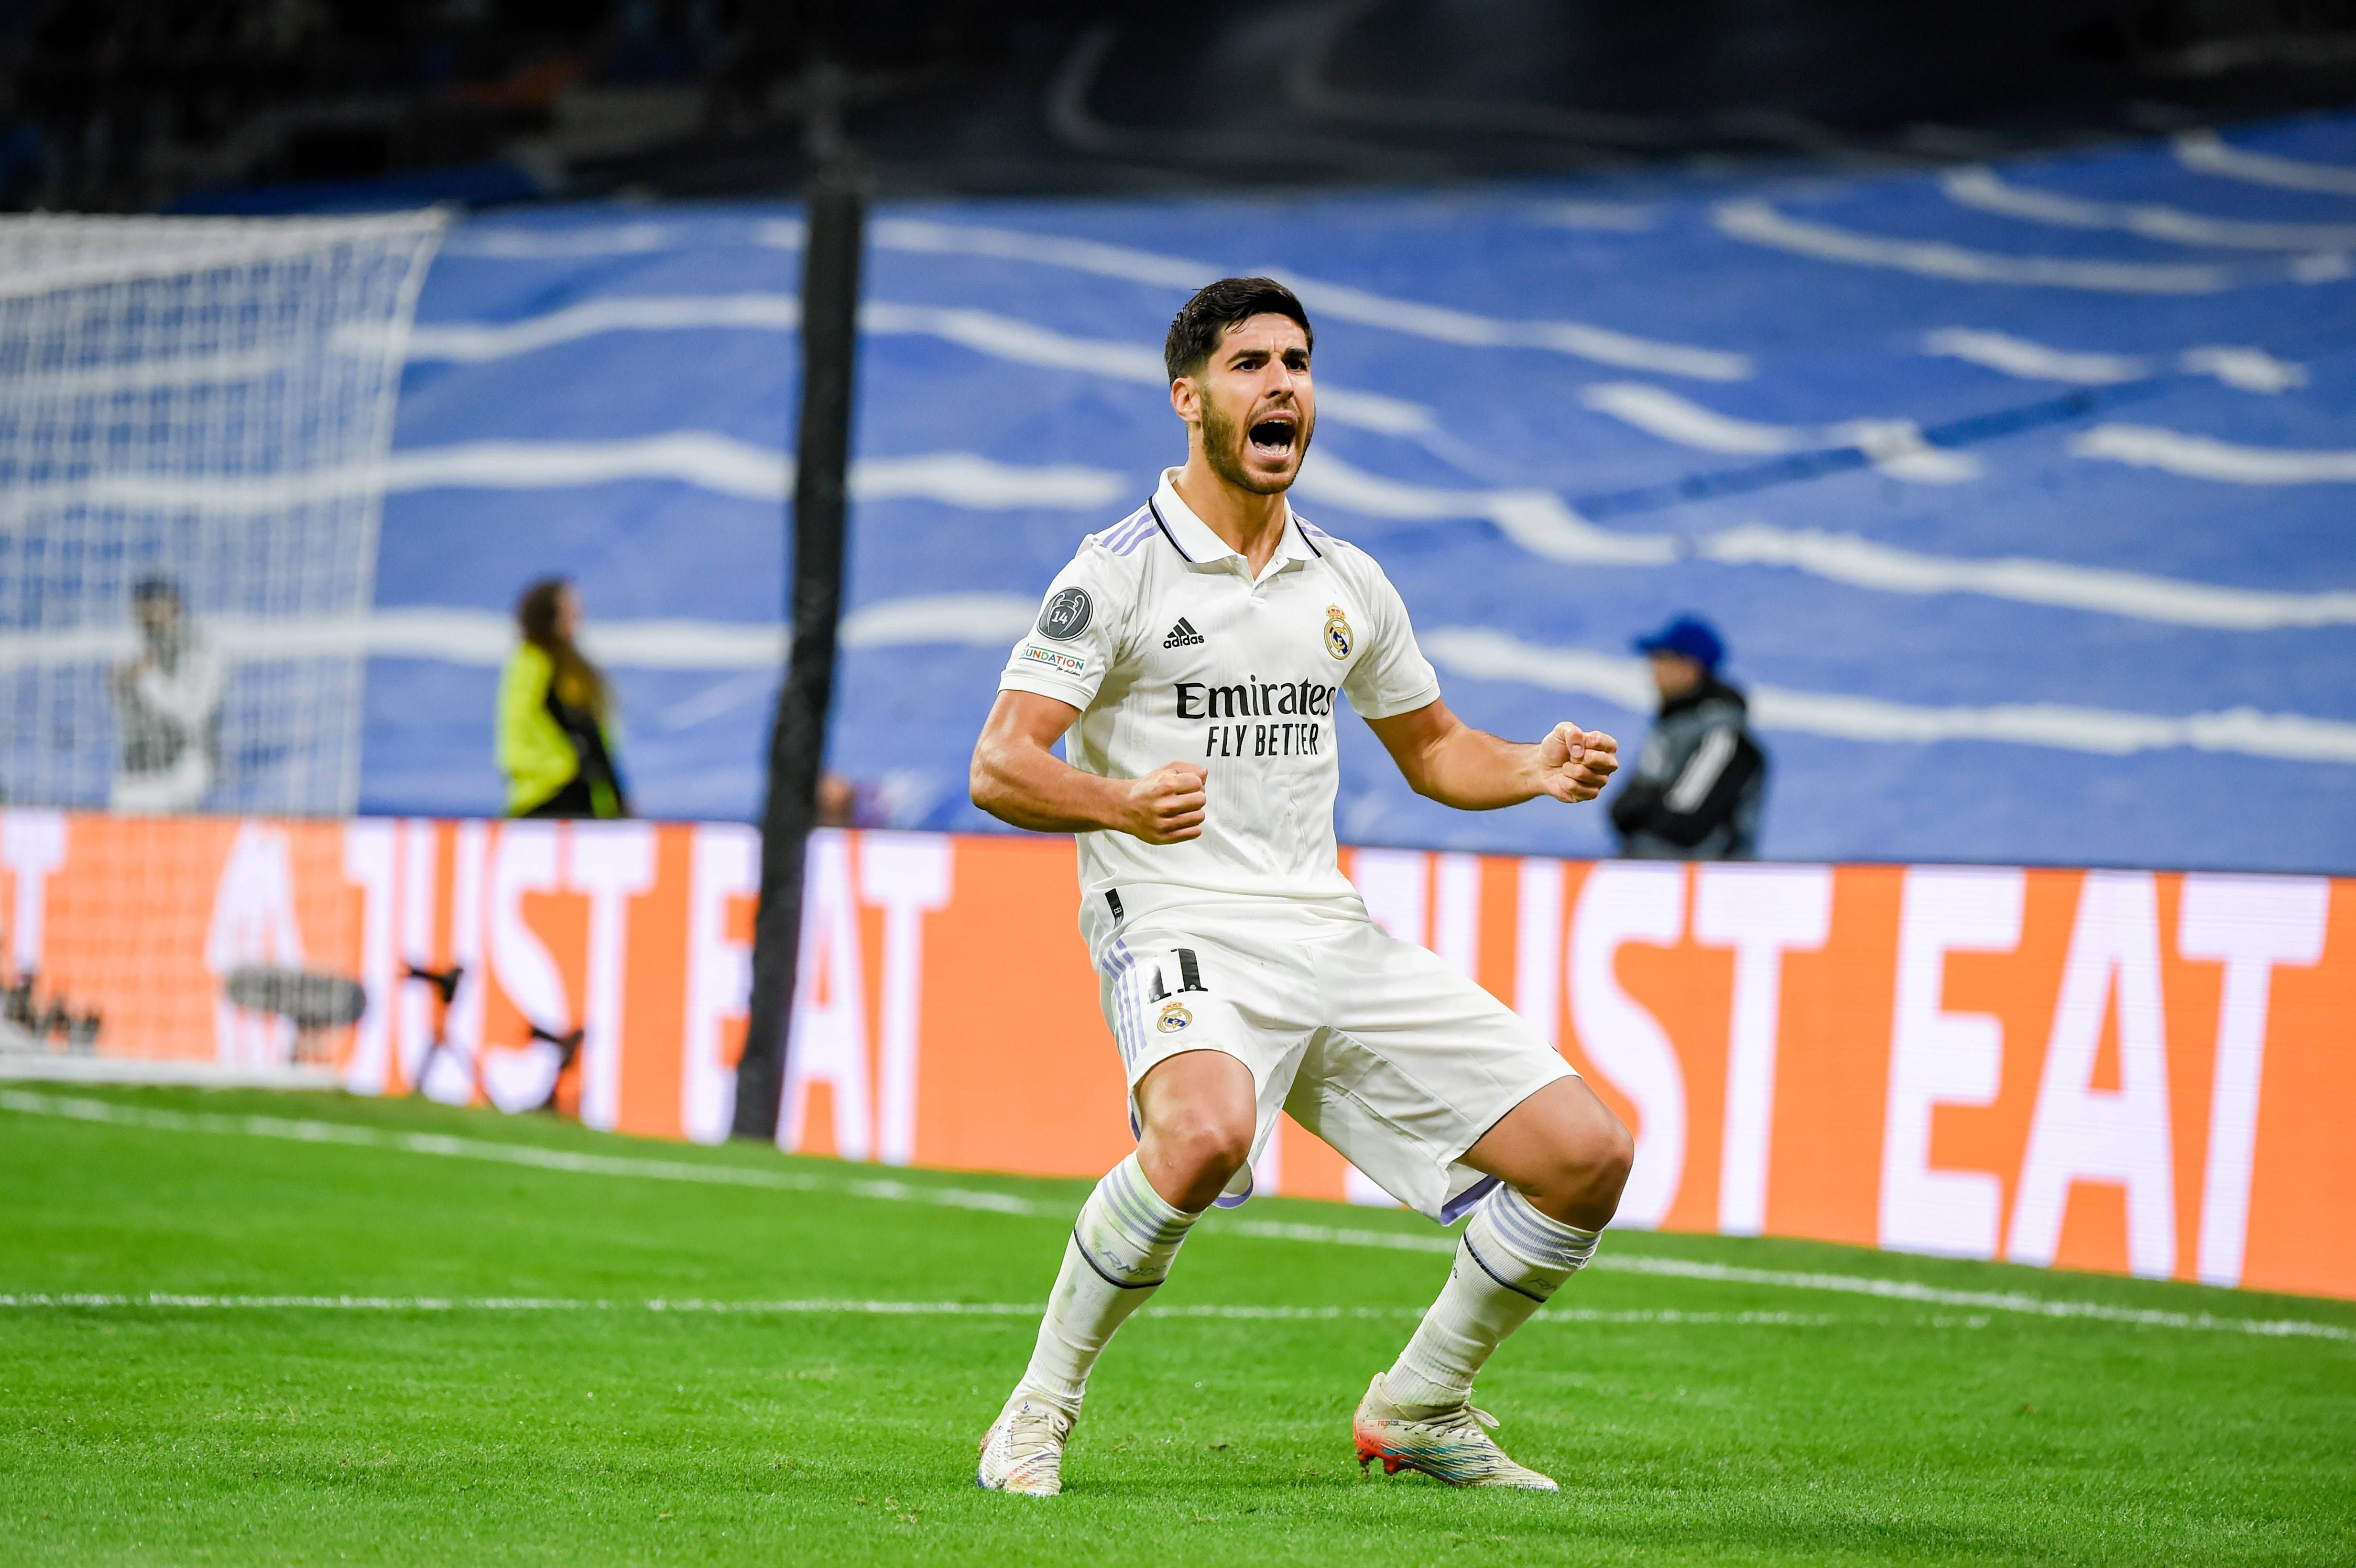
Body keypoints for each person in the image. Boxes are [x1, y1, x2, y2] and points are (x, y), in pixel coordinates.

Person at [969, 277, 1633, 1497]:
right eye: (1251, 364)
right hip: (1175, 918)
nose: (1283, 384)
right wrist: (1118, 802)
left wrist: (1531, 766)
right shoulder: (1115, 573)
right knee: (1207, 1135)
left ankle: (1421, 1404)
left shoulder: (1348, 581)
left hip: (1325, 929)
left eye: (1300, 363)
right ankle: (1034, 1411)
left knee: (1587, 1153)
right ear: (1190, 397)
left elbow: (1433, 751)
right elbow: (1001, 762)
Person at [1607, 615, 1766, 860]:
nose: (1653, 671)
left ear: (1690, 668)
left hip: (1706, 888)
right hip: (1652, 877)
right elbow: (1620, 811)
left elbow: (1683, 822)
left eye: (1662, 660)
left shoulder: (1724, 737)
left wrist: (1645, 805)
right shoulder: (1671, 729)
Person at [498, 578, 630, 819]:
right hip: (563, 793)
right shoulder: (561, 668)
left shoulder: (523, 663)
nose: (580, 614)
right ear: (553, 615)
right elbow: (585, 731)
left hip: (527, 796)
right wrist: (619, 800)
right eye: (571, 607)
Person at [109, 575, 223, 814]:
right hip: (138, 766)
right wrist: (120, 687)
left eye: (155, 606)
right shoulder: (133, 648)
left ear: (174, 606)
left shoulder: (200, 648)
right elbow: (123, 710)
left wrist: (148, 678)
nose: (149, 615)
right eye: (143, 608)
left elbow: (192, 712)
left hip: (185, 764)